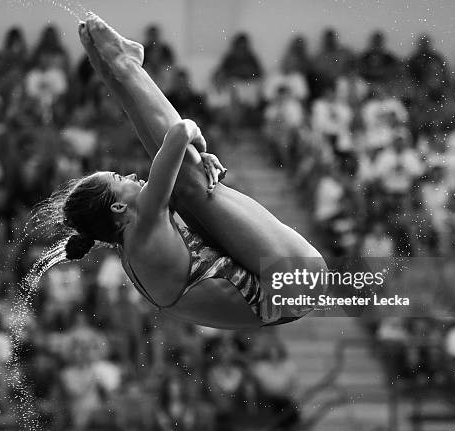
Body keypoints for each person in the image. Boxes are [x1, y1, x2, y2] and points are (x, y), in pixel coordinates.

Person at [52, 14, 325, 330]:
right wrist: (201, 140)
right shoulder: (144, 225)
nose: (128, 175)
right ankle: (124, 65)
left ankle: (118, 66)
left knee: (186, 185)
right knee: (189, 180)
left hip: (282, 289)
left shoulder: (130, 237)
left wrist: (103, 68)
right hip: (292, 284)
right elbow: (181, 131)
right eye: (118, 179)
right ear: (117, 207)